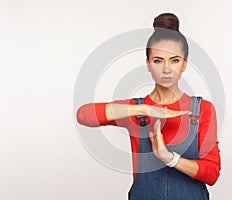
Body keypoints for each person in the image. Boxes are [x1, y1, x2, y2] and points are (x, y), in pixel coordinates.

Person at [76, 13, 220, 200]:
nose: (166, 69)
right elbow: (84, 115)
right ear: (148, 64)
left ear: (184, 64)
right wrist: (144, 109)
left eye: (174, 60)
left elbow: (212, 173)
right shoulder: (135, 110)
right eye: (158, 60)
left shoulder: (202, 110)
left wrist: (170, 158)